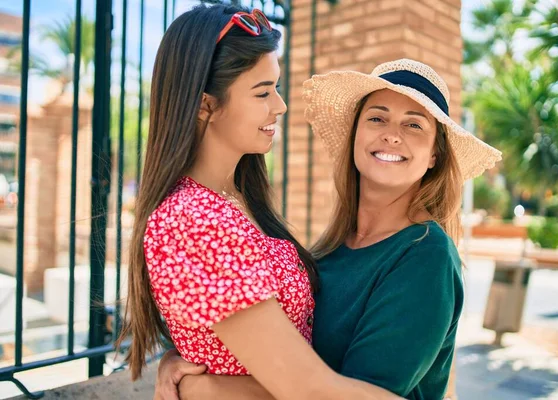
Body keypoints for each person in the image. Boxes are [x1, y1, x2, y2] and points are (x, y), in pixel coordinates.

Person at [154, 57, 502, 400]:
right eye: (377, 118)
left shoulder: (426, 256)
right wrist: (185, 359)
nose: (392, 136)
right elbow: (275, 354)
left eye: (414, 125)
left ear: (433, 156)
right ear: (356, 135)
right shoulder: (329, 251)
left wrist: (204, 387)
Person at [117, 4, 416, 400]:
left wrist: (198, 379)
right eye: (263, 92)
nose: (280, 105)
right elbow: (307, 389)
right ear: (206, 104)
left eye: (275, 87)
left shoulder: (236, 201)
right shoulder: (193, 220)